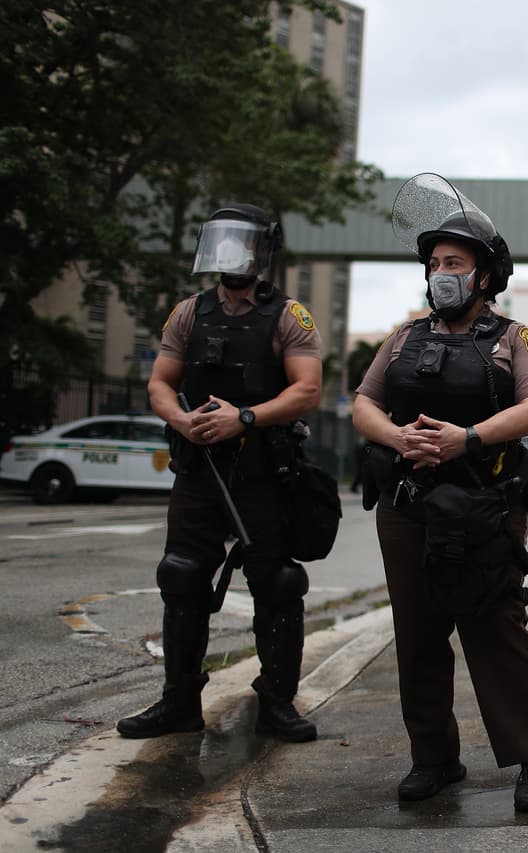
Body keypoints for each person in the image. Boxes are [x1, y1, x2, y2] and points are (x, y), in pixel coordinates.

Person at [351, 173, 528, 812]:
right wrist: (397, 439)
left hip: (483, 510)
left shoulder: (511, 338)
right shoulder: (404, 337)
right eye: (436, 262)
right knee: (416, 635)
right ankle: (434, 759)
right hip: (408, 507)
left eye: (456, 262)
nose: (442, 272)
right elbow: (363, 403)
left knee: (495, 628)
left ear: (485, 275)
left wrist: (465, 439)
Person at [117, 203, 323, 743]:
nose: (233, 253)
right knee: (181, 576)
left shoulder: (288, 316)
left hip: (262, 472)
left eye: (244, 242)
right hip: (199, 469)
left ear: (263, 250)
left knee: (277, 585)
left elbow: (307, 389)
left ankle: (277, 703)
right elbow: (160, 381)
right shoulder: (189, 313)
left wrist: (246, 418)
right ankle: (179, 703)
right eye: (224, 241)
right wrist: (181, 420)